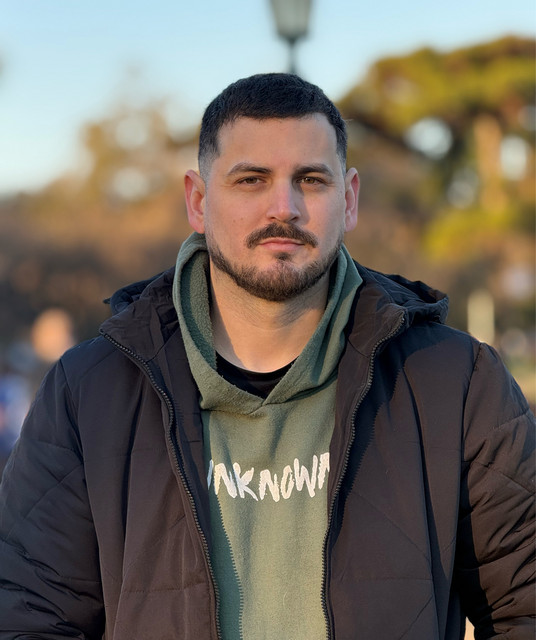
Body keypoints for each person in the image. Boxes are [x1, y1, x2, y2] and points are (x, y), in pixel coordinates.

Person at [0, 73, 534, 640]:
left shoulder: (457, 384)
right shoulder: (90, 394)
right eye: (251, 180)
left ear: (349, 199)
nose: (284, 207)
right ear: (198, 201)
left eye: (311, 179)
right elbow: (28, 617)